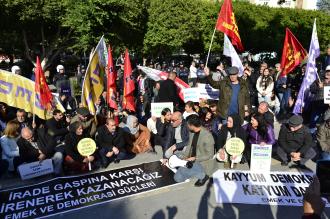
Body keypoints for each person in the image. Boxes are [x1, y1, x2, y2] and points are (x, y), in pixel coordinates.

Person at [169, 115, 214, 186]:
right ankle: (189, 169)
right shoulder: (192, 132)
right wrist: (185, 156)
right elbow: (189, 145)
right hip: (191, 157)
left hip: (201, 161)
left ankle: (203, 176)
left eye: (187, 124)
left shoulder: (207, 136)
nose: (186, 126)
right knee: (176, 155)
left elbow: (210, 155)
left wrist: (195, 158)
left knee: (178, 178)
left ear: (192, 125)